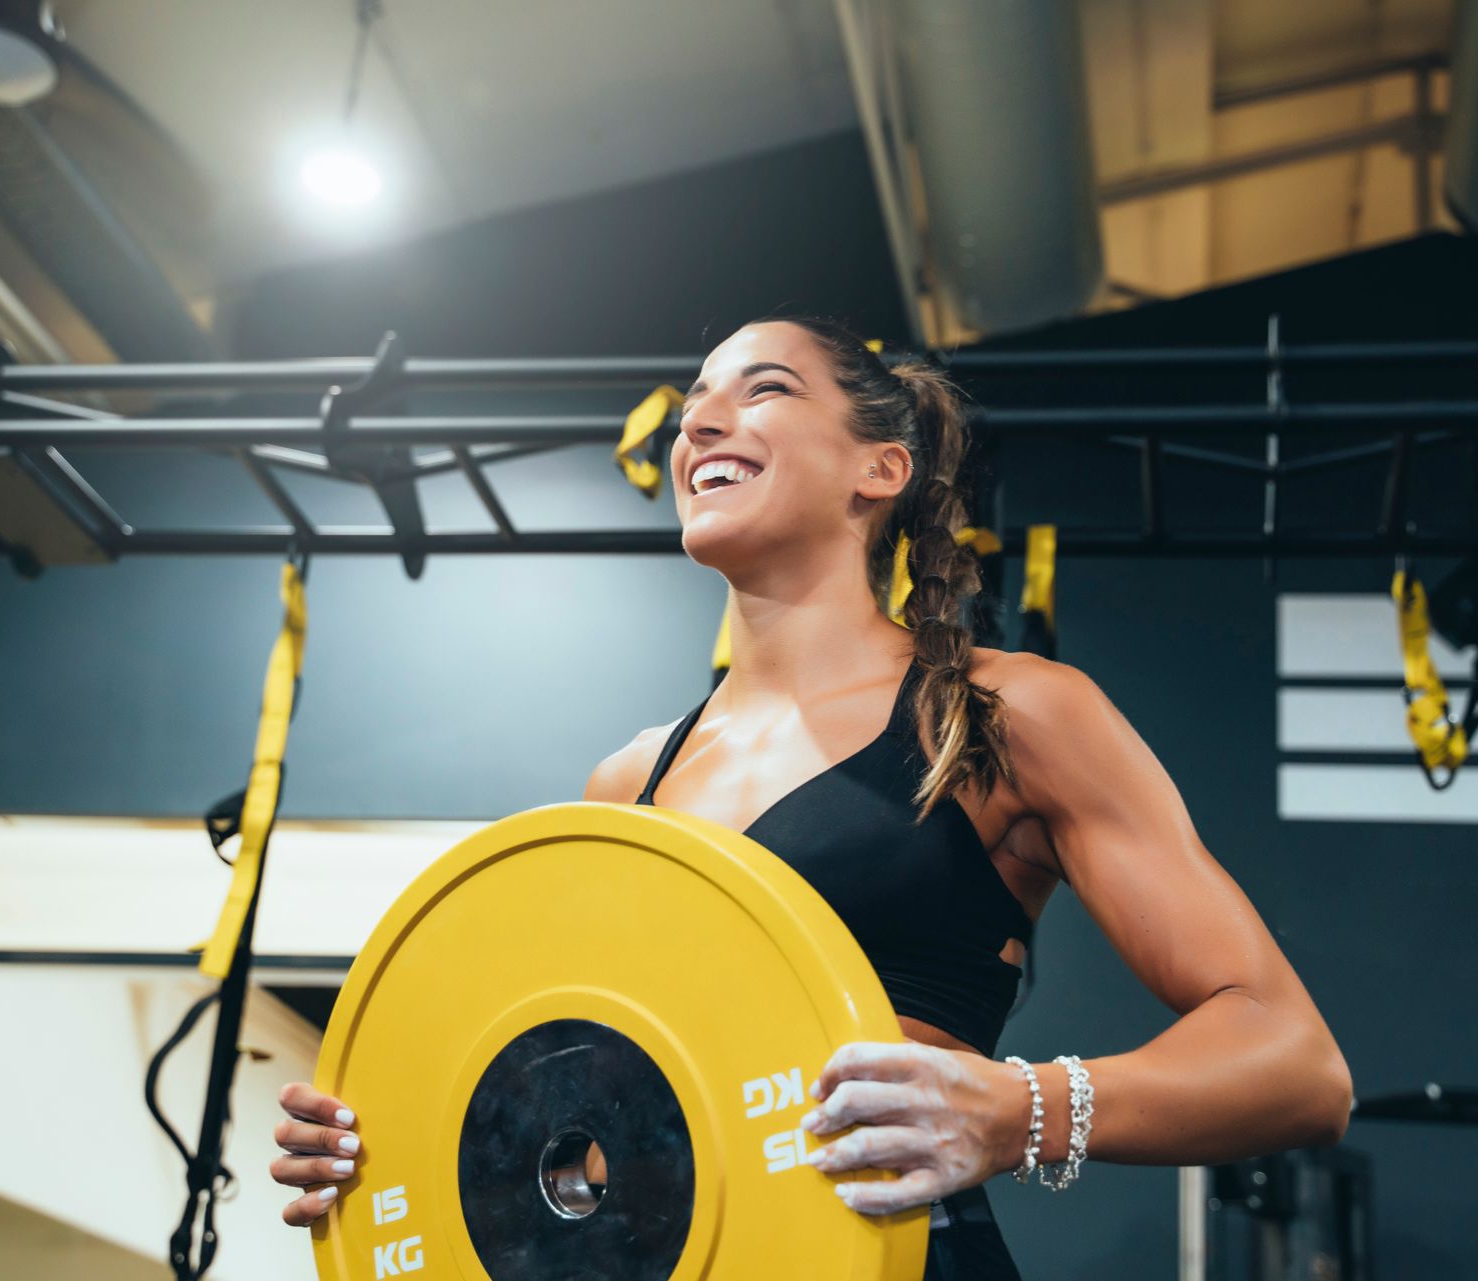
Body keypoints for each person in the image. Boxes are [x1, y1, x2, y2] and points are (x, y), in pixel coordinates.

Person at [270, 316, 1352, 1279]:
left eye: (762, 389)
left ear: (879, 468)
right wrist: (394, 1149)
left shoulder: (1005, 714)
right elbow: (578, 1115)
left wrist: (1018, 1110)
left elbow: (1296, 1063)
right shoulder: (626, 787)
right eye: (692, 407)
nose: (701, 424)